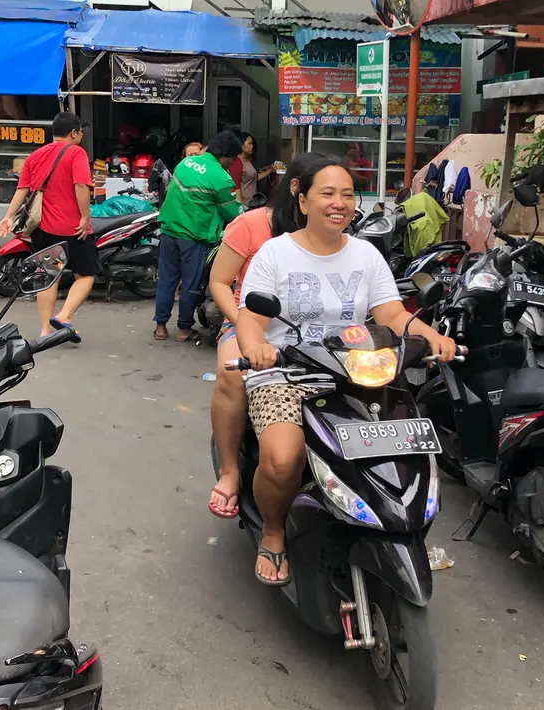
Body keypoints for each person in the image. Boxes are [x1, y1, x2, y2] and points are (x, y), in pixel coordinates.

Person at [234, 156, 458, 585]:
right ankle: (274, 531)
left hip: (358, 370)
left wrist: (432, 336)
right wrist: (256, 348)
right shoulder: (275, 253)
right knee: (283, 460)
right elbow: (250, 316)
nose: (339, 203)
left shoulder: (366, 254)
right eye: (327, 193)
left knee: (402, 450)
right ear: (302, 200)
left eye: (348, 194)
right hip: (287, 371)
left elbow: (391, 312)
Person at [206, 152, 320, 519]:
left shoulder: (333, 233)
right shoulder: (251, 224)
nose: (335, 203)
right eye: (325, 192)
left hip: (311, 330)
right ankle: (230, 470)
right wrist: (241, 322)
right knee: (231, 373)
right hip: (247, 319)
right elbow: (220, 282)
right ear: (298, 192)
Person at [0, 113, 94, 342]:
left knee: (48, 277)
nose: (81, 136)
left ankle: (45, 330)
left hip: (43, 229)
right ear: (73, 133)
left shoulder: (35, 156)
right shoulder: (76, 152)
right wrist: (85, 217)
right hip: (72, 230)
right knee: (86, 275)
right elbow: (81, 186)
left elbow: (22, 190)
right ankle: (64, 316)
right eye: (80, 132)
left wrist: (9, 216)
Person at [152, 130, 242, 342]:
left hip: (169, 231)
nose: (233, 163)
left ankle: (160, 327)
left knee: (167, 280)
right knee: (191, 285)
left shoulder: (185, 164)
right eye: (233, 158)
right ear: (225, 155)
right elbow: (233, 214)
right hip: (194, 237)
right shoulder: (221, 178)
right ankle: (184, 330)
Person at [227, 133, 277, 205]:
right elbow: (236, 187)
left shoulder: (247, 160)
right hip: (245, 204)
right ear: (241, 145)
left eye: (252, 144)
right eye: (249, 144)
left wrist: (270, 171)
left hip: (252, 202)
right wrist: (240, 208)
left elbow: (254, 178)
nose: (252, 146)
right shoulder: (237, 162)